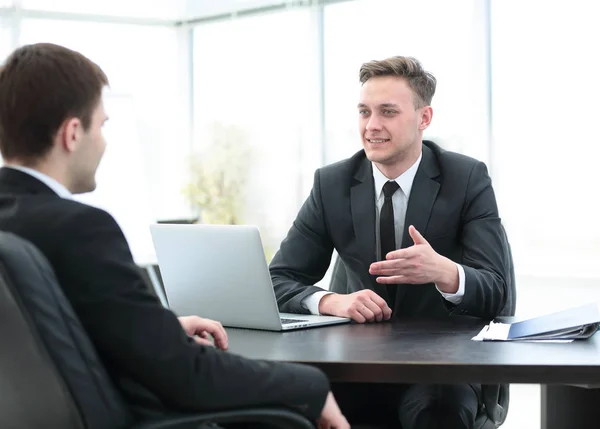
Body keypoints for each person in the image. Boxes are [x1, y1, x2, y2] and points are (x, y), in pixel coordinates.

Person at [0, 43, 349, 429]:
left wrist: (156, 330)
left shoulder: (16, 221)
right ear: (72, 134)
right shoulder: (79, 228)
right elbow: (186, 377)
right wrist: (310, 387)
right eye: (102, 125)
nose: (104, 141)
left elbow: (45, 332)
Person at [269, 56, 512, 429]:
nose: (372, 126)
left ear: (423, 118)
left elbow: (496, 290)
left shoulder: (466, 179)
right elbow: (277, 280)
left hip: (441, 367)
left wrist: (447, 273)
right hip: (357, 363)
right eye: (364, 112)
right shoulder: (332, 184)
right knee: (288, 404)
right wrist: (333, 301)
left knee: (438, 414)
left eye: (387, 112)